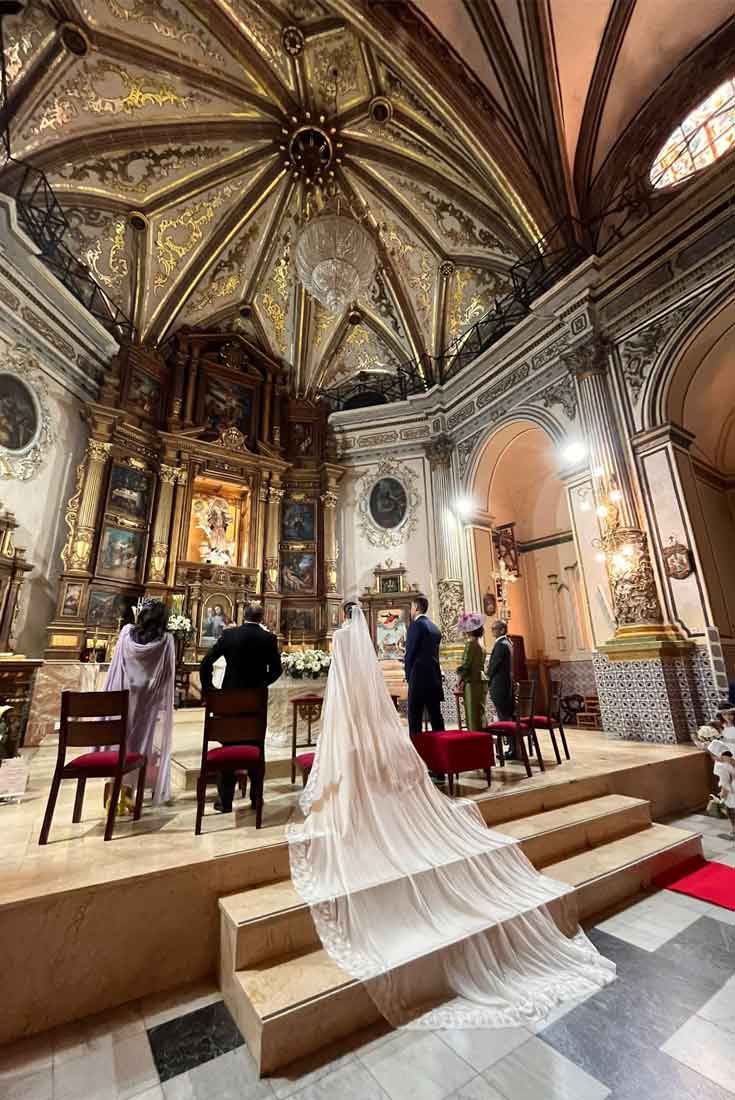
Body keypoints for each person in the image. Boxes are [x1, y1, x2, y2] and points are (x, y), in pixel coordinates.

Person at [287, 604, 614, 1034]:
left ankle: (433, 765)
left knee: (425, 725)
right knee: (430, 725)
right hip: (423, 687)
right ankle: (436, 768)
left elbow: (407, 661)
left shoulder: (362, 639)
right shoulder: (429, 629)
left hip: (400, 693)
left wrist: (406, 666)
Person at [200, 602, 282, 813]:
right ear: (261, 618)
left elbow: (206, 662)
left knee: (229, 746)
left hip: (229, 699)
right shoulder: (268, 638)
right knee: (257, 746)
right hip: (255, 701)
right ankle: (256, 797)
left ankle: (225, 801)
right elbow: (276, 670)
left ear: (243, 615)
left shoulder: (229, 636)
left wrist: (210, 689)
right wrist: (260, 684)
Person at [105, 598, 175, 809]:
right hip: (147, 698)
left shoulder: (126, 632)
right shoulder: (166, 640)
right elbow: (167, 673)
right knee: (138, 744)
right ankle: (126, 794)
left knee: (118, 742)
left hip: (121, 693)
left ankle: (113, 794)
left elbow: (116, 662)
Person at [404, 596, 445, 736]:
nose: (410, 611)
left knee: (415, 717)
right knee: (436, 716)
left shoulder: (416, 626)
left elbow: (410, 653)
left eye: (411, 607)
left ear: (416, 607)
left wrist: (408, 676)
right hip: (434, 677)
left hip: (419, 677)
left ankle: (418, 750)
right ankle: (442, 748)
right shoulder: (434, 628)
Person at [456, 612, 486, 731]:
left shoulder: (470, 644)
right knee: (480, 712)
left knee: (472, 714)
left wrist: (459, 680)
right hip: (481, 680)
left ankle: (475, 740)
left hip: (472, 682)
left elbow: (466, 665)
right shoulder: (481, 645)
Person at [487, 619, 514, 721]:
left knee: (503, 715)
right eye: (492, 629)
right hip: (505, 683)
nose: (492, 631)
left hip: (500, 685)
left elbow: (494, 665)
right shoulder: (507, 642)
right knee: (505, 714)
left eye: (495, 629)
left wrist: (487, 679)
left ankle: (509, 736)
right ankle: (510, 736)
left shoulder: (501, 644)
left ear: (502, 630)